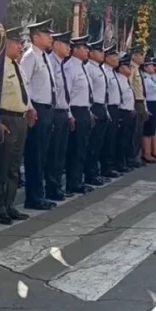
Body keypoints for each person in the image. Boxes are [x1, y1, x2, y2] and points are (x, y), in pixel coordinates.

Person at [0, 26, 32, 225]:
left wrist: (30, 108)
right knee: (2, 166)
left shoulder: (18, 65)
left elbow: (22, 91)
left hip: (21, 118)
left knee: (14, 166)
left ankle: (10, 205)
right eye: (17, 44)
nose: (21, 48)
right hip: (6, 119)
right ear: (6, 44)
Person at [19, 20, 56, 210]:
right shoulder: (30, 56)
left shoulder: (44, 56)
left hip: (47, 109)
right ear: (35, 37)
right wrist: (30, 108)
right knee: (35, 155)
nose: (50, 38)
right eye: (46, 34)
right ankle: (33, 198)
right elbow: (23, 85)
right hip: (37, 110)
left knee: (43, 155)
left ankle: (39, 195)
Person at [64, 35, 94, 195]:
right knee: (74, 149)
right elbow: (66, 93)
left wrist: (88, 111)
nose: (87, 51)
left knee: (82, 148)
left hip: (84, 110)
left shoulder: (83, 67)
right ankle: (71, 182)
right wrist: (70, 114)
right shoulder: (70, 67)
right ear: (75, 50)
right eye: (84, 48)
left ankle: (78, 180)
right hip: (74, 110)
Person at [45, 31, 73, 201]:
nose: (69, 48)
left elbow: (66, 93)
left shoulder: (62, 64)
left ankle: (56, 187)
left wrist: (69, 113)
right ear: (56, 45)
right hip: (53, 112)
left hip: (63, 112)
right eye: (65, 44)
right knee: (53, 153)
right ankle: (51, 188)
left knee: (61, 153)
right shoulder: (49, 62)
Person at [84, 38, 108, 186]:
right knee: (92, 145)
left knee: (99, 143)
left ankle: (95, 172)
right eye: (99, 51)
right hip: (93, 107)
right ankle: (90, 174)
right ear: (91, 53)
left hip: (101, 106)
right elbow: (87, 91)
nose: (102, 54)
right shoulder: (88, 68)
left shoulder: (100, 68)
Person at [101, 45, 122, 176]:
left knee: (113, 139)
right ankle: (105, 167)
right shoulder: (104, 71)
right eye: (114, 56)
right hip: (107, 107)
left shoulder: (112, 72)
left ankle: (110, 165)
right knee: (107, 140)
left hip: (115, 108)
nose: (117, 59)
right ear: (107, 58)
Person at [114, 54, 136, 172]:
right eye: (128, 67)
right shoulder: (117, 79)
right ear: (121, 68)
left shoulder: (125, 80)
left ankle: (127, 160)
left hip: (129, 112)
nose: (130, 69)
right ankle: (119, 163)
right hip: (122, 112)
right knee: (121, 140)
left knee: (128, 139)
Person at [129, 48, 147, 167]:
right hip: (135, 102)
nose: (142, 58)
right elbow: (129, 86)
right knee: (135, 132)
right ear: (134, 56)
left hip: (141, 101)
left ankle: (137, 156)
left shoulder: (138, 69)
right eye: (140, 55)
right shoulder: (132, 68)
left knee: (140, 131)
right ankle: (133, 158)